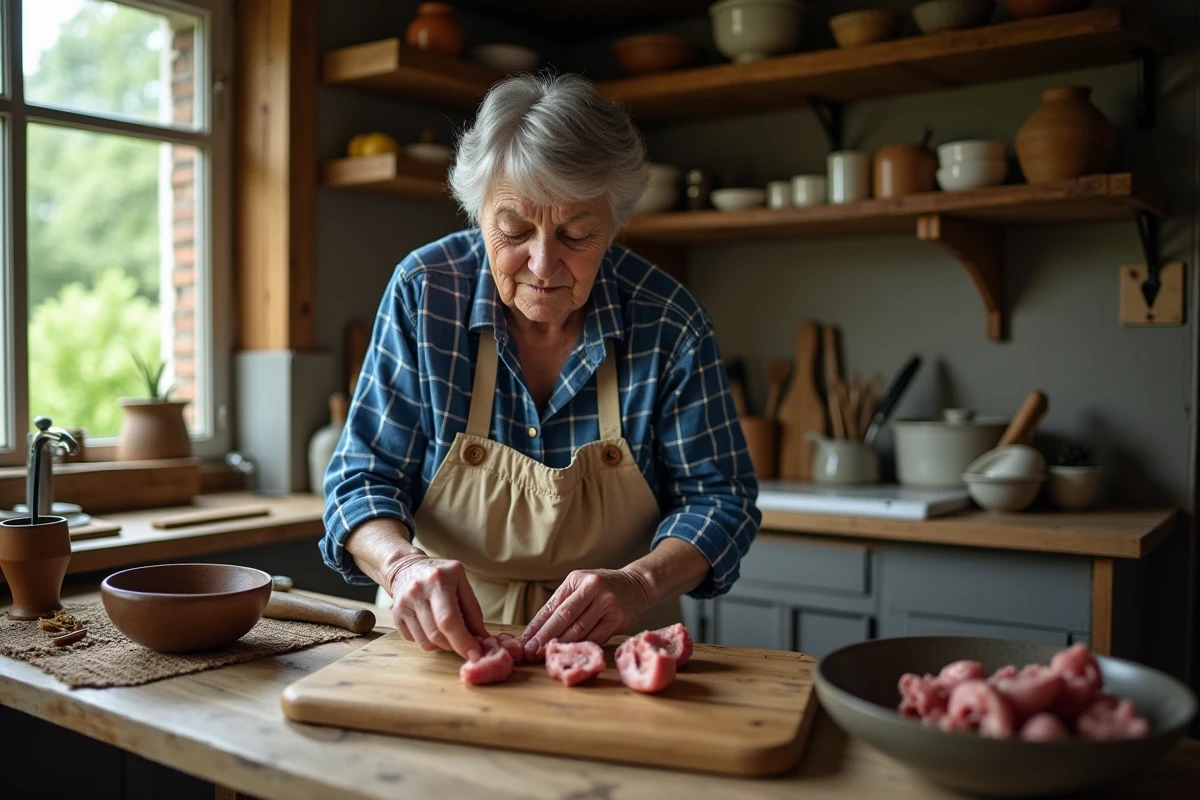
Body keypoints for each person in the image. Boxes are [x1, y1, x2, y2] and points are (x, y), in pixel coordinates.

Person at [320, 73, 759, 664]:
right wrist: (402, 567)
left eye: (577, 233)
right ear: (478, 214)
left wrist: (639, 583)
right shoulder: (424, 295)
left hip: (617, 636)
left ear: (615, 222)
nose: (544, 263)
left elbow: (722, 499)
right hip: (440, 632)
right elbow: (360, 479)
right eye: (515, 230)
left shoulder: (670, 321)